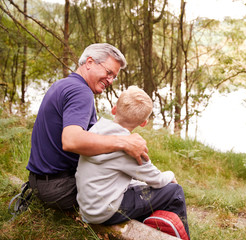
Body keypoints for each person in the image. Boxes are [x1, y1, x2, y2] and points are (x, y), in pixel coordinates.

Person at [27, 43, 149, 210]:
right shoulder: (81, 92)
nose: (110, 80)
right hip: (59, 188)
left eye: (114, 76)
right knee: (150, 194)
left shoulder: (63, 84)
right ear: (90, 62)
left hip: (39, 183)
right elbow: (71, 140)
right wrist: (125, 142)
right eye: (108, 72)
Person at [76, 86, 190, 238]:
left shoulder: (97, 130)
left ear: (114, 109)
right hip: (104, 211)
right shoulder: (130, 147)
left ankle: (157, 225)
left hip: (88, 205)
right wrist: (170, 175)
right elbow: (156, 180)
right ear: (143, 123)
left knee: (141, 187)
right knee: (175, 192)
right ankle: (178, 235)